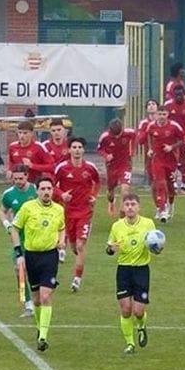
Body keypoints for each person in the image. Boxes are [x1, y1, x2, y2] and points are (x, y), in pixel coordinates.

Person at [11, 176, 65, 352]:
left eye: (49, 188)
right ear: (37, 191)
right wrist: (19, 254)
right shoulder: (27, 208)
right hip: (31, 256)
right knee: (36, 299)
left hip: (50, 256)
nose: (46, 192)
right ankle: (40, 328)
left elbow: (62, 227)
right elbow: (15, 228)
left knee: (45, 296)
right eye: (43, 189)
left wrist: (62, 241)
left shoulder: (58, 209)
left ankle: (43, 336)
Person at [106, 193, 159, 354]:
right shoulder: (117, 226)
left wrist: (157, 248)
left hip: (141, 270)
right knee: (126, 309)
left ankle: (141, 326)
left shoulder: (148, 223)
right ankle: (130, 343)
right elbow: (109, 248)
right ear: (123, 207)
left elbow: (155, 246)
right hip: (123, 270)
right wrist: (111, 249)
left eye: (133, 204)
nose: (130, 207)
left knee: (138, 311)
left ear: (138, 207)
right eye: (127, 204)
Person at [53, 137, 101, 292]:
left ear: (83, 150)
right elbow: (52, 185)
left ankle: (77, 279)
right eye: (74, 147)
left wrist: (94, 195)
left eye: (80, 147)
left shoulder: (90, 168)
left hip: (85, 212)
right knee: (74, 247)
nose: (77, 150)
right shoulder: (62, 168)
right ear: (69, 150)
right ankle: (77, 257)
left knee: (80, 245)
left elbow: (98, 182)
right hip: (68, 213)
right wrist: (62, 195)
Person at [0, 164, 38, 317]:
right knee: (19, 270)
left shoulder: (36, 191)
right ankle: (27, 303)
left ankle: (38, 300)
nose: (18, 181)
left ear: (27, 176)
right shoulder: (8, 194)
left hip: (37, 238)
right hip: (19, 238)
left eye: (21, 178)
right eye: (15, 179)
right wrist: (7, 224)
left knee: (35, 271)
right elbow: (3, 211)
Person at [144, 104, 185, 222]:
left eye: (164, 114)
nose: (161, 116)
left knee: (170, 186)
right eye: (160, 114)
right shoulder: (151, 126)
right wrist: (151, 149)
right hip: (157, 159)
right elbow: (149, 136)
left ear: (168, 115)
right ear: (156, 115)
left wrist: (172, 147)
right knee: (160, 184)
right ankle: (162, 209)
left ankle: (171, 204)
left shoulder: (174, 126)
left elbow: (183, 140)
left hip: (171, 159)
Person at [97, 118, 136, 216]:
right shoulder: (105, 137)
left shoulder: (129, 133)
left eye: (119, 133)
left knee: (125, 188)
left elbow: (135, 137)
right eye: (115, 134)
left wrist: (132, 151)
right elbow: (99, 150)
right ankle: (111, 202)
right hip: (112, 166)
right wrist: (106, 155)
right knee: (110, 191)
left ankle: (122, 213)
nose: (118, 136)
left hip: (125, 164)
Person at [165, 87, 185, 191]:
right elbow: (166, 120)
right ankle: (172, 181)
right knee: (172, 159)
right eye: (176, 95)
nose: (178, 97)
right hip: (173, 138)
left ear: (183, 95)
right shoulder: (168, 105)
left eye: (180, 95)